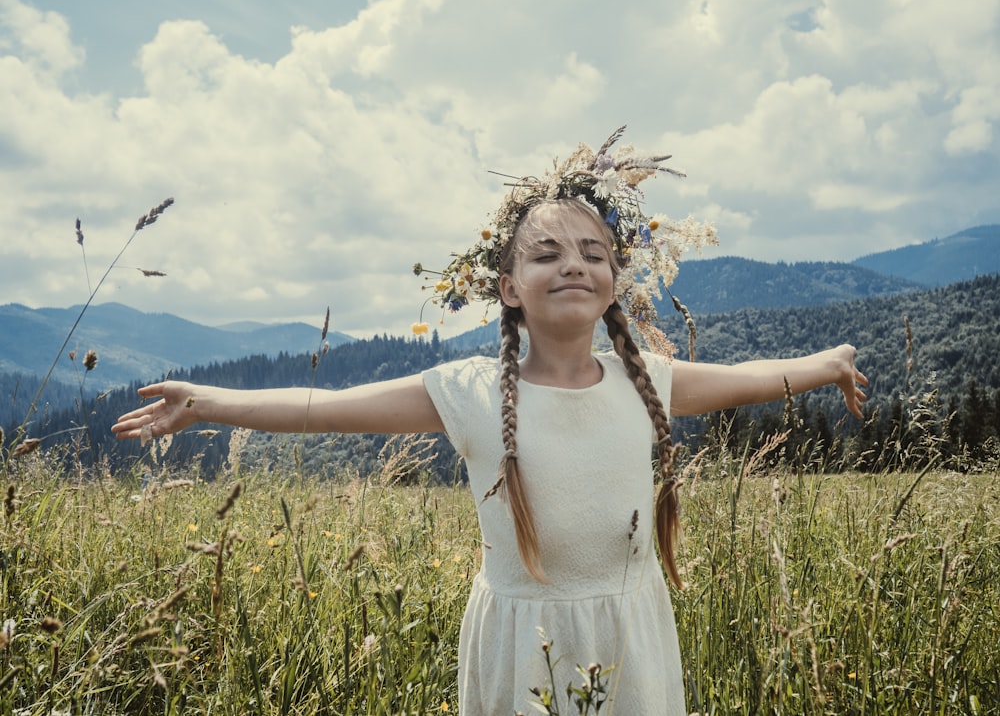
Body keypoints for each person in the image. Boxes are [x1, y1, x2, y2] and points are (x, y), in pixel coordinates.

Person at [113, 128, 867, 715]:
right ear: (509, 286)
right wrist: (207, 403)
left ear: (613, 282)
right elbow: (325, 409)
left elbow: (752, 381)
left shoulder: (651, 382)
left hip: (631, 633)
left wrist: (829, 362)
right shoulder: (470, 391)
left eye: (592, 253)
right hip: (522, 638)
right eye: (546, 254)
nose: (572, 264)